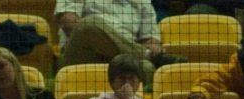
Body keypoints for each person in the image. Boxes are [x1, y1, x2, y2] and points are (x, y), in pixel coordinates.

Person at [55, 0, 184, 82]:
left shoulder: (143, 2)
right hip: (82, 56)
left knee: (147, 68)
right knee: (88, 25)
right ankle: (148, 56)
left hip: (123, 60)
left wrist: (154, 48)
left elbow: (150, 40)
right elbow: (68, 23)